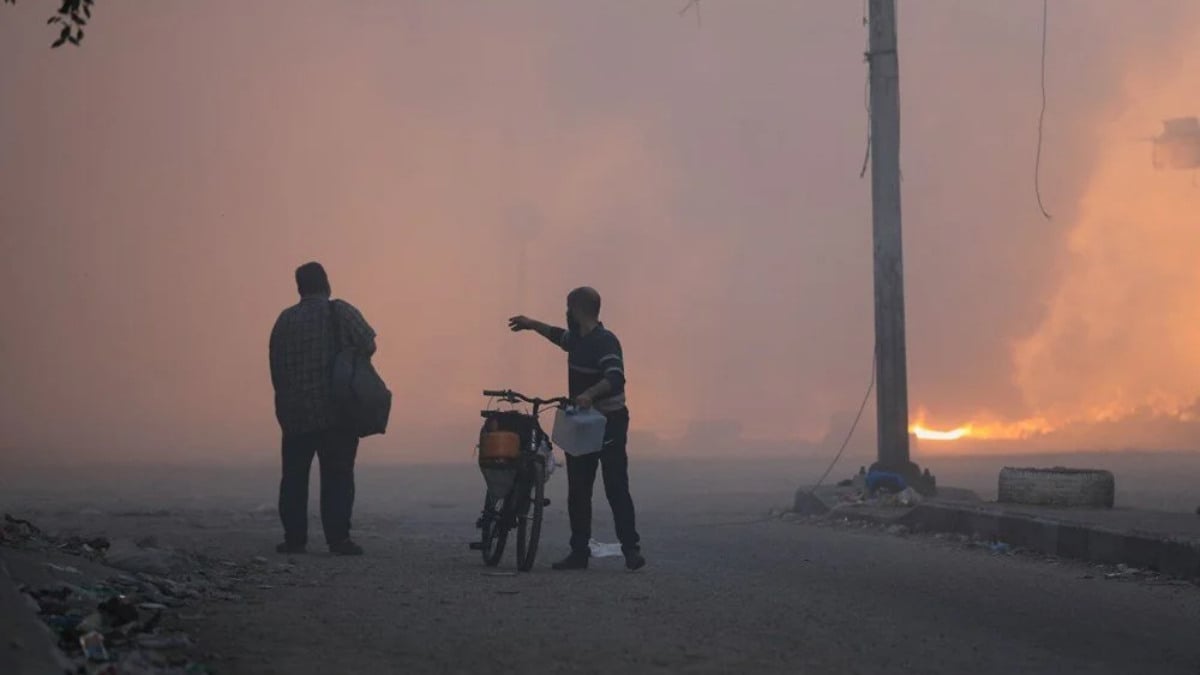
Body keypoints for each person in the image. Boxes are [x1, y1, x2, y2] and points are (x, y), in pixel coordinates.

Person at [508, 287, 646, 571]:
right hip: (582, 425)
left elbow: (615, 377)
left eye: (568, 308)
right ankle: (579, 552)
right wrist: (531, 324)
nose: (566, 314)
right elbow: (557, 335)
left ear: (578, 309)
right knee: (579, 489)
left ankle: (631, 550)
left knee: (616, 486)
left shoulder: (605, 341)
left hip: (609, 422)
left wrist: (590, 394)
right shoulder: (577, 340)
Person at [269, 262, 377, 556]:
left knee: (293, 478)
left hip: (294, 414)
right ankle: (338, 540)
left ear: (299, 287)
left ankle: (294, 540)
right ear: (326, 283)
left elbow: (275, 365)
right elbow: (368, 343)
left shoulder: (284, 320)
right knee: (337, 476)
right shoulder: (339, 311)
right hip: (336, 413)